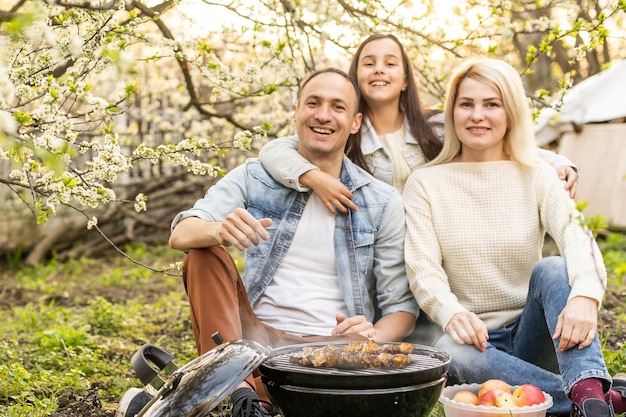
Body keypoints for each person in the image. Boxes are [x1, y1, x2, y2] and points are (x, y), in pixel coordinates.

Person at [114, 68, 419, 417]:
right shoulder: (254, 176)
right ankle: (242, 391)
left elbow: (401, 308)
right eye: (313, 103)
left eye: (337, 107)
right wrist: (219, 231)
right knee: (203, 255)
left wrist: (371, 337)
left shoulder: (380, 202)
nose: (323, 114)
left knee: (336, 388)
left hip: (331, 347)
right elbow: (181, 232)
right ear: (295, 112)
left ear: (354, 122)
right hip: (248, 340)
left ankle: (221, 397)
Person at [258, 33, 579, 346]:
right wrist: (314, 176)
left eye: (390, 63)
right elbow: (274, 151)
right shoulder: (345, 131)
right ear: (355, 77)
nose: (379, 69)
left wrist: (559, 161)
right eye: (368, 63)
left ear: (406, 79)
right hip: (378, 259)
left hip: (432, 255)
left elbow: (500, 142)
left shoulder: (436, 127)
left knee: (437, 342)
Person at [402, 57, 625, 417]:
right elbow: (422, 268)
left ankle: (585, 387)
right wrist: (451, 312)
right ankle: (596, 399)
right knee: (450, 349)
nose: (478, 115)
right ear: (452, 112)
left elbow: (576, 235)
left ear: (510, 113)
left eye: (492, 104)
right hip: (476, 346)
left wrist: (585, 296)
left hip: (536, 335)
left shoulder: (538, 175)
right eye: (466, 104)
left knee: (553, 268)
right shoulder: (425, 183)